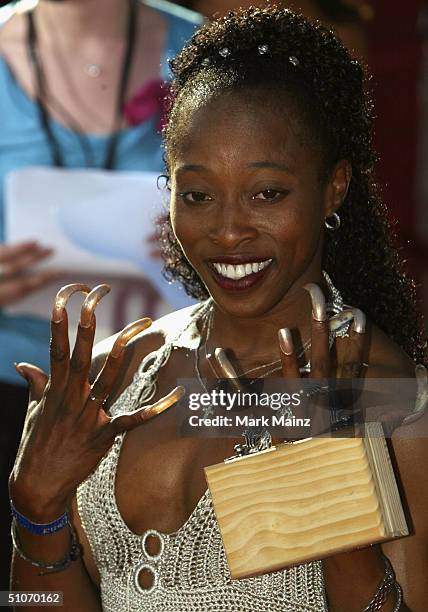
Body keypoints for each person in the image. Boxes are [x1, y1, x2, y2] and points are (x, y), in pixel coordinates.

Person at [9, 6, 428, 611]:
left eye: (267, 194)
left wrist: (335, 511)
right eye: (198, 194)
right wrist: (36, 513)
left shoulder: (392, 400)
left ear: (334, 186)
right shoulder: (109, 379)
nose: (229, 231)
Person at [0, 0, 201, 593]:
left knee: (161, 589)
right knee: (27, 588)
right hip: (14, 386)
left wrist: (204, 230)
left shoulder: (206, 52)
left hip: (166, 391)